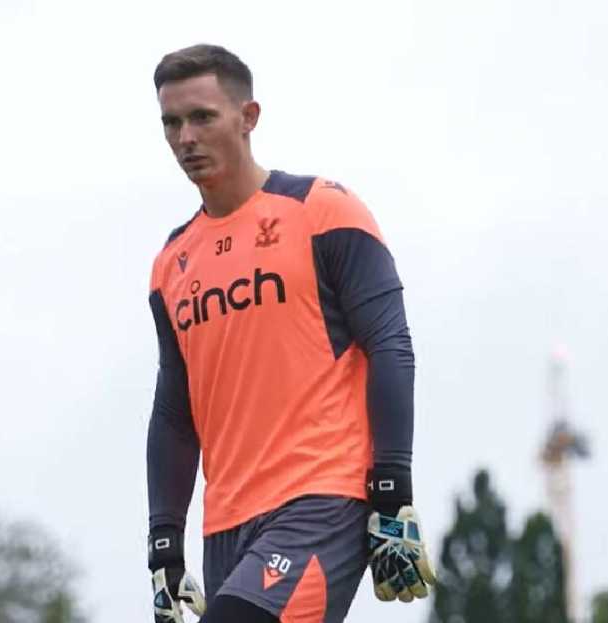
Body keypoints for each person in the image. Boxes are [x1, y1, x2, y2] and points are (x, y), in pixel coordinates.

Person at [145, 44, 436, 623]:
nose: (185, 138)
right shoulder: (170, 263)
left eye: (202, 117)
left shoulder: (323, 210)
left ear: (249, 117)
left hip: (324, 498)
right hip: (226, 523)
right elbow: (176, 411)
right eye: (171, 123)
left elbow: (390, 345)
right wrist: (165, 546)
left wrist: (392, 487)